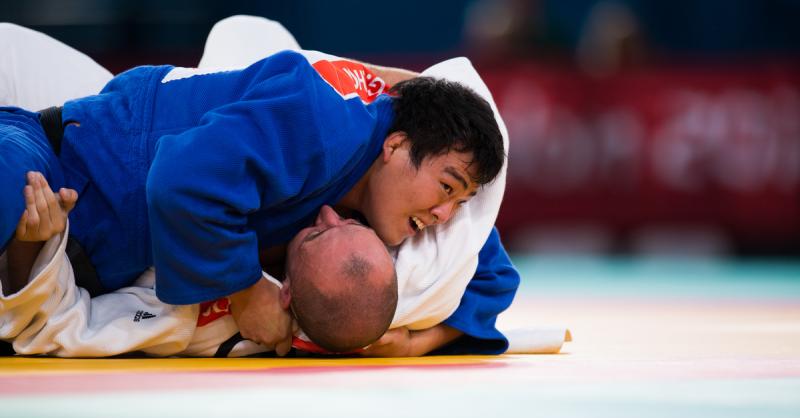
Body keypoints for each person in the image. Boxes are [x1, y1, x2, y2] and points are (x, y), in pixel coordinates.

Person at [0, 18, 519, 357]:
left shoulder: (402, 195)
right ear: (397, 145)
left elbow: (490, 274)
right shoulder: (324, 124)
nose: (446, 215)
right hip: (58, 157)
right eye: (448, 187)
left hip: (90, 249)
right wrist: (245, 289)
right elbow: (180, 179)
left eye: (461, 201)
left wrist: (419, 343)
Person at [1, 173, 397, 356]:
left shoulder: (190, 319)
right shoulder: (373, 288)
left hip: (66, 193)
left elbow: (55, 329)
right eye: (350, 222)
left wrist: (29, 244)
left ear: (287, 290)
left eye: (316, 235)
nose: (327, 212)